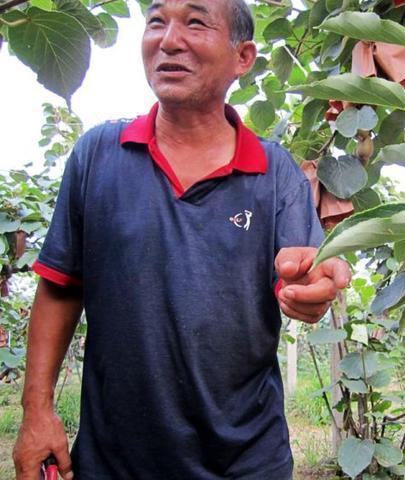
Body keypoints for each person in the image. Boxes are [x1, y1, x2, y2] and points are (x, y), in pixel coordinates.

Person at [12, 0, 351, 478]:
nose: (169, 40)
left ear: (243, 57)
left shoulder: (276, 174)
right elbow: (60, 286)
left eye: (195, 22)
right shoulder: (97, 156)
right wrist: (37, 411)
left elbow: (302, 274)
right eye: (156, 22)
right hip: (113, 463)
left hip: (245, 462)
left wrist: (311, 287)